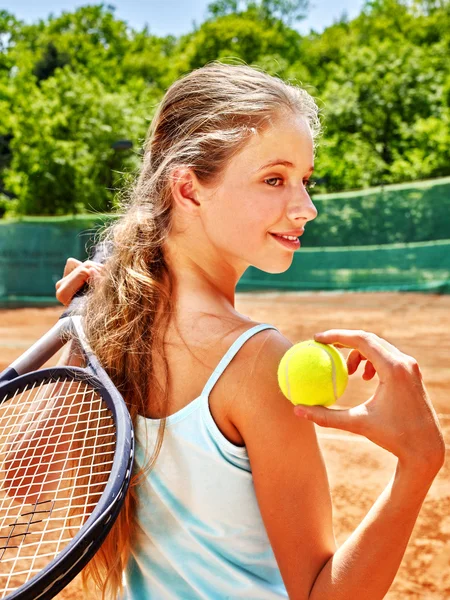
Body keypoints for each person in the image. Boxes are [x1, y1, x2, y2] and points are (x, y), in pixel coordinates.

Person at [55, 62, 445, 600]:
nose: (305, 208)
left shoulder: (101, 333)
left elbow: (28, 485)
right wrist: (418, 464)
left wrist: (80, 321)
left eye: (304, 181)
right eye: (274, 179)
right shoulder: (257, 360)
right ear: (189, 189)